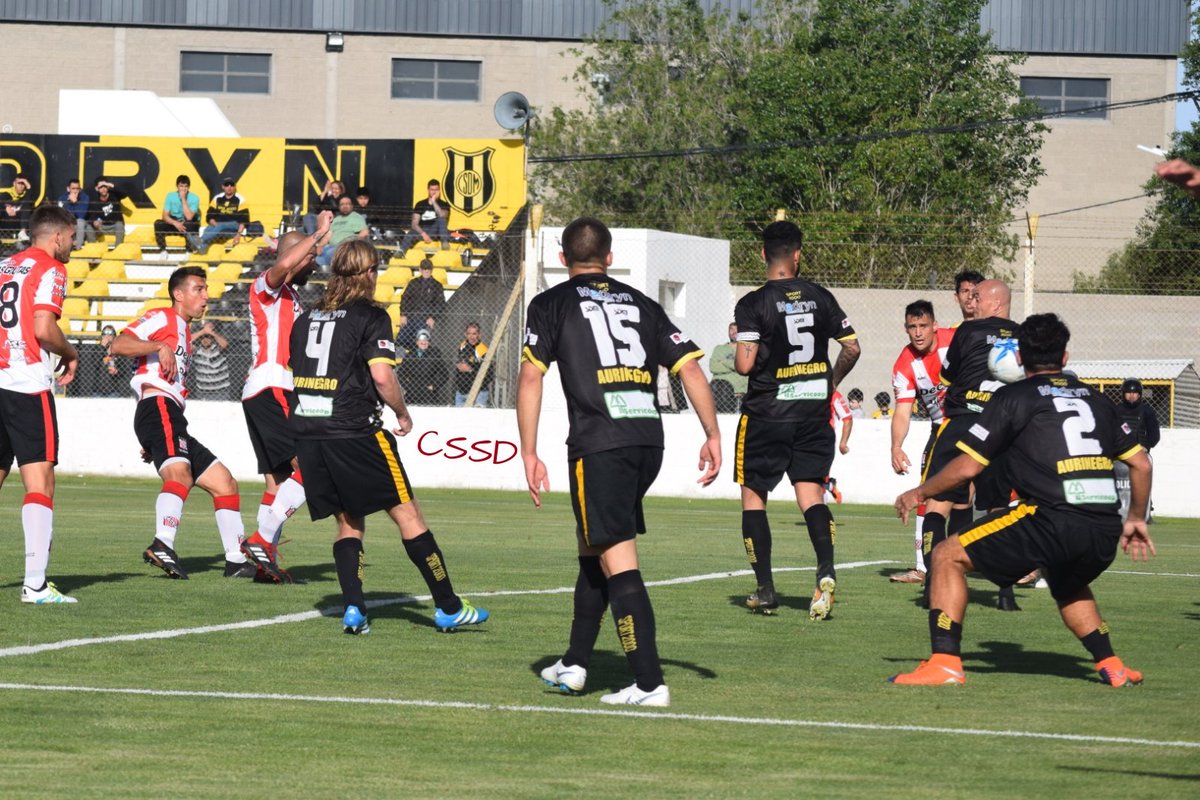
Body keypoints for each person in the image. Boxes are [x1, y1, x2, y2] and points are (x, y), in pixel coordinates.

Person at [518, 216, 721, 707]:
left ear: (563, 259)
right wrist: (714, 433)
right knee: (593, 546)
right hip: (647, 439)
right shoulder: (643, 303)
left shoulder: (550, 303)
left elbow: (530, 377)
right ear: (609, 258)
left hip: (600, 444)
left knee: (617, 558)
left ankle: (649, 684)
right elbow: (691, 369)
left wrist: (528, 451)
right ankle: (575, 662)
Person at [890, 313, 1154, 687]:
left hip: (1050, 519)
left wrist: (919, 491)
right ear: (1065, 357)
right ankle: (1111, 664)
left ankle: (945, 663)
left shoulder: (1014, 397)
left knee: (946, 555)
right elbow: (1141, 463)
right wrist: (1136, 518)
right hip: (1103, 527)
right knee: (1067, 583)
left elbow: (967, 466)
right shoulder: (1097, 399)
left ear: (1019, 358)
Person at [288, 238, 488, 635]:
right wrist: (402, 412)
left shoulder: (305, 318)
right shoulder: (371, 316)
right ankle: (448, 606)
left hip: (309, 432)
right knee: (408, 515)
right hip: (355, 430)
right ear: (367, 273)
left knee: (349, 523)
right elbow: (382, 376)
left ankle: (354, 608)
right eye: (375, 269)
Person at [732, 220, 860, 620]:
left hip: (766, 416)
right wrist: (829, 383)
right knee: (811, 496)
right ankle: (825, 568)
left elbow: (744, 365)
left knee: (754, 499)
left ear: (763, 254)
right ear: (798, 254)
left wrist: (739, 337)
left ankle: (766, 590)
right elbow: (852, 348)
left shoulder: (752, 303)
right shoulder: (821, 296)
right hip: (812, 414)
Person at [110, 266, 254, 579]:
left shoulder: (185, 331)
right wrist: (158, 346)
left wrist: (153, 438)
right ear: (178, 294)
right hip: (158, 407)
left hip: (168, 415)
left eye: (206, 289)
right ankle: (162, 543)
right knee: (180, 475)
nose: (206, 296)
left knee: (224, 483)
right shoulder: (163, 317)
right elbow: (118, 344)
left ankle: (236, 560)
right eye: (198, 289)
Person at [238, 211, 333, 583]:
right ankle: (262, 539)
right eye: (311, 258)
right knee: (313, 464)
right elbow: (284, 264)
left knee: (277, 482)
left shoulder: (291, 296)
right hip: (272, 386)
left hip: (267, 390)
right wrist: (318, 234)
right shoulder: (267, 287)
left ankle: (265, 564)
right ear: (296, 256)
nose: (315, 264)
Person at [920, 279, 1020, 610]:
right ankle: (1005, 592)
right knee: (999, 510)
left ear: (995, 303)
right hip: (1001, 429)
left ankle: (933, 582)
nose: (972, 302)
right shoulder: (1023, 336)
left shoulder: (968, 330)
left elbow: (945, 377)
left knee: (937, 503)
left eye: (978, 297)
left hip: (962, 422)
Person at [0, 205, 80, 603]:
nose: (75, 245)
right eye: (73, 237)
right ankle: (35, 585)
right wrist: (70, 352)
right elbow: (44, 328)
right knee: (40, 481)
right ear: (57, 236)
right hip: (26, 383)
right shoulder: (52, 268)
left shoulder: (4, 266)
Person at [888, 300, 954, 585]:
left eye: (923, 326)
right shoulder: (905, 363)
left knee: (1001, 493)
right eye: (912, 327)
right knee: (926, 491)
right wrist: (896, 446)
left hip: (975, 424)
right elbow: (903, 411)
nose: (917, 333)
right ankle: (923, 567)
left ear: (935, 325)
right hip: (941, 429)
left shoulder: (956, 340)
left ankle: (1025, 564)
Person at [396, 179, 450, 258]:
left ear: (439, 190)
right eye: (432, 189)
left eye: (436, 189)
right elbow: (414, 224)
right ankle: (401, 251)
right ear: (428, 190)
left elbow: (442, 215)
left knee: (441, 219)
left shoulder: (444, 204)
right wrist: (423, 234)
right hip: (422, 230)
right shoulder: (420, 204)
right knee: (412, 231)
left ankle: (444, 242)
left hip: (435, 231)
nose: (434, 192)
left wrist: (434, 201)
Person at [315, 195, 369, 268]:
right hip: (331, 247)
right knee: (318, 254)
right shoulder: (336, 219)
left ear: (352, 206)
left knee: (327, 253)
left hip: (346, 248)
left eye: (347, 204)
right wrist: (320, 246)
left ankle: (325, 267)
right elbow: (328, 235)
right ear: (339, 207)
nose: (345, 206)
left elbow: (365, 232)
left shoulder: (356, 217)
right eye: (342, 204)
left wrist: (351, 244)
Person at [397, 328, 446, 405]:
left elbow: (445, 374)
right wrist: (408, 387)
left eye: (426, 339)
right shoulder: (410, 355)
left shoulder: (435, 354)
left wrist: (434, 386)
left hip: (429, 395)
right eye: (421, 339)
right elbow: (400, 374)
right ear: (417, 342)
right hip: (412, 393)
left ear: (429, 342)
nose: (423, 342)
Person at [153, 174, 201, 253]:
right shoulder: (170, 196)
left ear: (189, 187)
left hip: (188, 224)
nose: (183, 189)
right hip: (175, 223)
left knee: (189, 224)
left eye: (185, 186)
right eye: (181, 186)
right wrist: (175, 223)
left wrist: (183, 198)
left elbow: (189, 217)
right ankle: (163, 251)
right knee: (158, 223)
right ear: (177, 186)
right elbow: (164, 216)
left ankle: (189, 251)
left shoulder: (195, 198)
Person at [708, 322, 747, 413]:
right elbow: (713, 367)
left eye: (737, 330)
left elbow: (746, 367)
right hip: (720, 392)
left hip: (742, 392)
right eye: (731, 329)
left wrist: (724, 362)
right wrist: (737, 366)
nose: (734, 332)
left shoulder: (747, 349)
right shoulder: (719, 348)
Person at [188, 321, 232, 400]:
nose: (205, 339)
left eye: (208, 336)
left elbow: (225, 344)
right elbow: (186, 341)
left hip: (221, 391)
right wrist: (203, 331)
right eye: (203, 337)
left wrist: (212, 333)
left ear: (212, 338)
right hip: (202, 392)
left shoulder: (218, 348)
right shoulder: (197, 350)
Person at [200, 177, 250, 248]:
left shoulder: (240, 199)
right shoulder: (217, 198)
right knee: (208, 228)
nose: (229, 187)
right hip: (220, 227)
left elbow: (244, 220)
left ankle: (200, 240)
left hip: (234, 225)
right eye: (227, 185)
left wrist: (238, 234)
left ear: (235, 187)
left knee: (220, 225)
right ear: (223, 187)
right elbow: (209, 215)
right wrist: (214, 224)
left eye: (231, 185)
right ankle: (201, 249)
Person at [454, 322, 492, 407]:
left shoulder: (483, 350)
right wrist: (458, 366)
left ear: (479, 335)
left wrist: (470, 370)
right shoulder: (462, 346)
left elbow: (490, 374)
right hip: (461, 392)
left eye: (474, 334)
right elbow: (459, 362)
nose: (471, 337)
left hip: (478, 393)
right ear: (465, 334)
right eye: (469, 334)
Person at [398, 258, 446, 326]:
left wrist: (433, 317)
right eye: (424, 268)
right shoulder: (413, 283)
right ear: (420, 270)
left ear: (432, 270)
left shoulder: (437, 285)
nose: (426, 271)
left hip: (427, 319)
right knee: (403, 332)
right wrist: (403, 315)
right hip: (411, 317)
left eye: (428, 268)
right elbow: (405, 299)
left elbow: (440, 303)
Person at [87, 177, 127, 246]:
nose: (103, 189)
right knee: (89, 227)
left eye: (105, 186)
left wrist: (110, 185)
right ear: (96, 188)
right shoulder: (94, 199)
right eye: (101, 187)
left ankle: (118, 249)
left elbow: (125, 194)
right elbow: (91, 216)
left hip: (114, 226)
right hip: (101, 227)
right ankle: (94, 249)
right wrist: (94, 222)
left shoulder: (114, 196)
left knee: (119, 225)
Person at [57, 179, 91, 249]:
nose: (75, 191)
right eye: (73, 188)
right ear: (68, 189)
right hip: (67, 224)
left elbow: (81, 216)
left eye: (77, 189)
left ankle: (78, 248)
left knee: (81, 222)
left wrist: (75, 203)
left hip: (80, 224)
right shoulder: (62, 198)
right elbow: (61, 216)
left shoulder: (85, 197)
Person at [1, 173, 34, 243]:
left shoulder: (26, 197)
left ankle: (22, 232)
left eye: (23, 184)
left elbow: (29, 198)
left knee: (27, 204)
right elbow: (2, 199)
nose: (21, 186)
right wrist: (6, 206)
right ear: (14, 183)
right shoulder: (6, 194)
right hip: (5, 223)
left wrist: (27, 184)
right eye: (19, 183)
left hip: (18, 223)